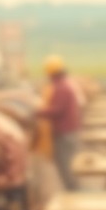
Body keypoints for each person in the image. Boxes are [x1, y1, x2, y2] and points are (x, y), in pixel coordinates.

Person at [36, 54, 82, 192]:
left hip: (64, 134)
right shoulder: (64, 85)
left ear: (51, 73)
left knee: (67, 169)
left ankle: (74, 197)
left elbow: (57, 110)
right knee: (68, 168)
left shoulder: (61, 88)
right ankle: (74, 194)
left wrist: (36, 112)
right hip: (68, 132)